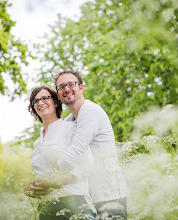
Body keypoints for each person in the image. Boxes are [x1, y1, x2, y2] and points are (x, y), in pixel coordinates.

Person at [52, 70, 129, 219]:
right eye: (61, 87)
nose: (66, 89)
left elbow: (73, 155)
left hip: (110, 196)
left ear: (81, 88)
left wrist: (47, 179)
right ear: (58, 94)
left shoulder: (90, 111)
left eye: (71, 84)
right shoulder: (70, 121)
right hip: (89, 199)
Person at [24, 86, 96, 220]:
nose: (40, 103)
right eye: (35, 101)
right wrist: (31, 187)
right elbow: (42, 174)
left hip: (74, 203)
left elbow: (87, 167)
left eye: (45, 98)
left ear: (56, 102)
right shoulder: (37, 143)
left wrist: (54, 183)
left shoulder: (72, 129)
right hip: (46, 208)